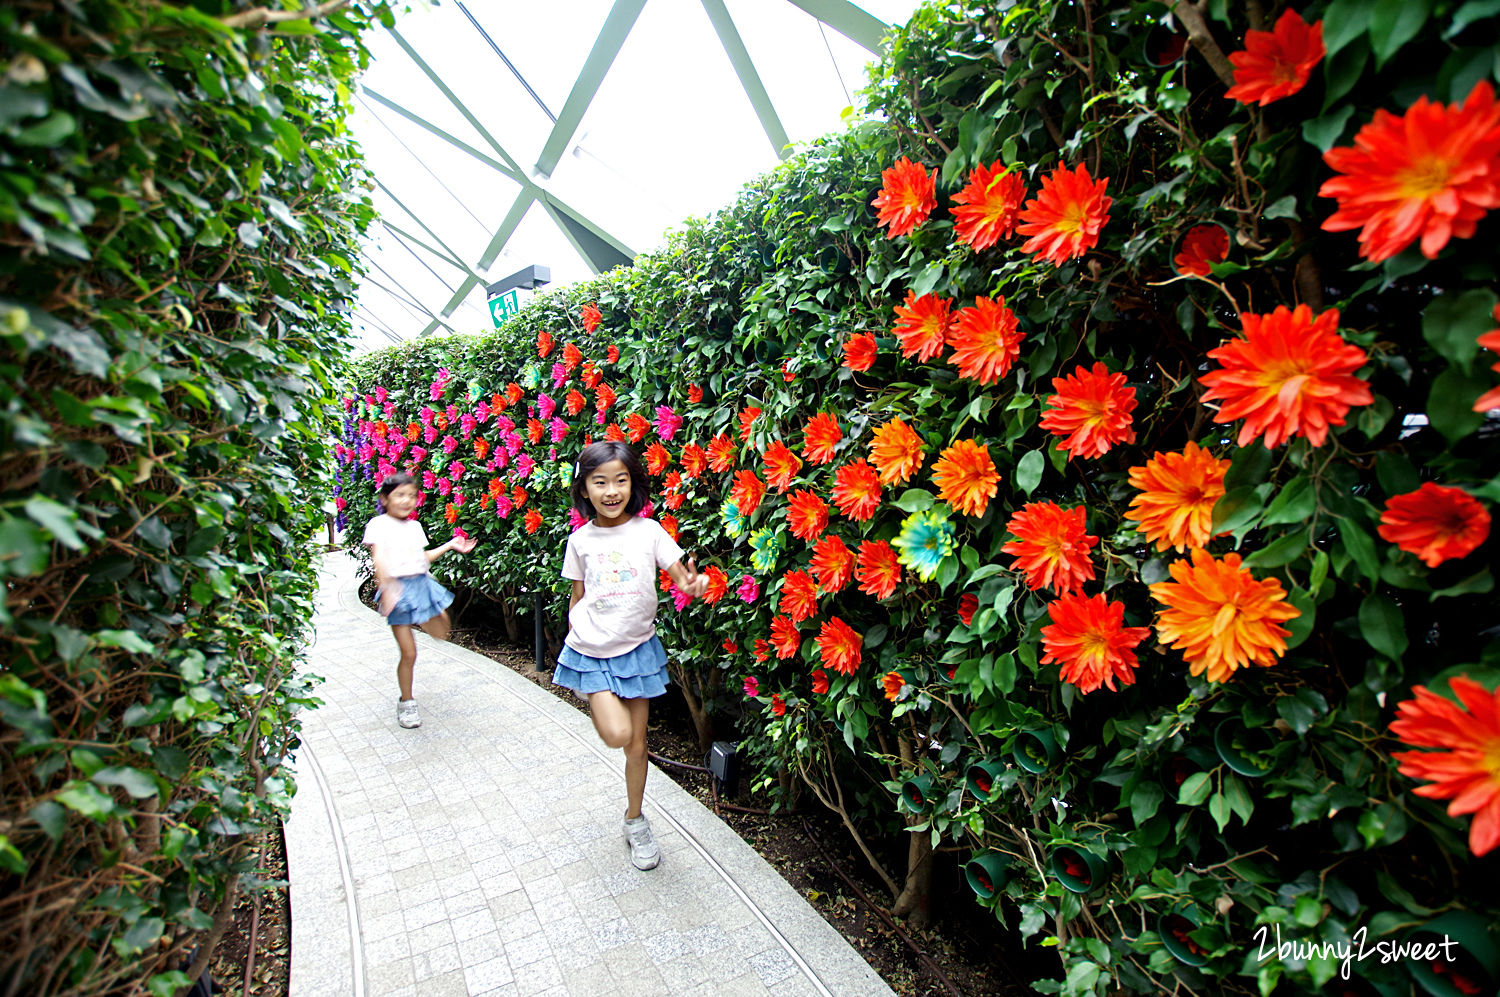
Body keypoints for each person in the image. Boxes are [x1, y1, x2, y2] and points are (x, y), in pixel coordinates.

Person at [556, 441, 708, 870]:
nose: (611, 490)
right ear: (584, 489)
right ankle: (633, 813)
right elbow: (578, 593)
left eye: (620, 480)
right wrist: (575, 635)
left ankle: (635, 820)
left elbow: (681, 576)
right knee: (617, 733)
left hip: (638, 649)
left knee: (637, 745)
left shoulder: (649, 531)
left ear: (632, 484)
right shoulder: (580, 540)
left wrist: (693, 586)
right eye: (599, 481)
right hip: (592, 649)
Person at [362, 472, 475, 729]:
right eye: (400, 495)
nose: (406, 501)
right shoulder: (378, 525)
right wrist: (386, 587)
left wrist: (450, 545)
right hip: (398, 588)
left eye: (412, 495)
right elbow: (378, 558)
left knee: (442, 630)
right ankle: (406, 701)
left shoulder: (415, 527)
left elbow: (422, 558)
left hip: (421, 585)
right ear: (385, 498)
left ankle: (429, 622)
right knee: (409, 653)